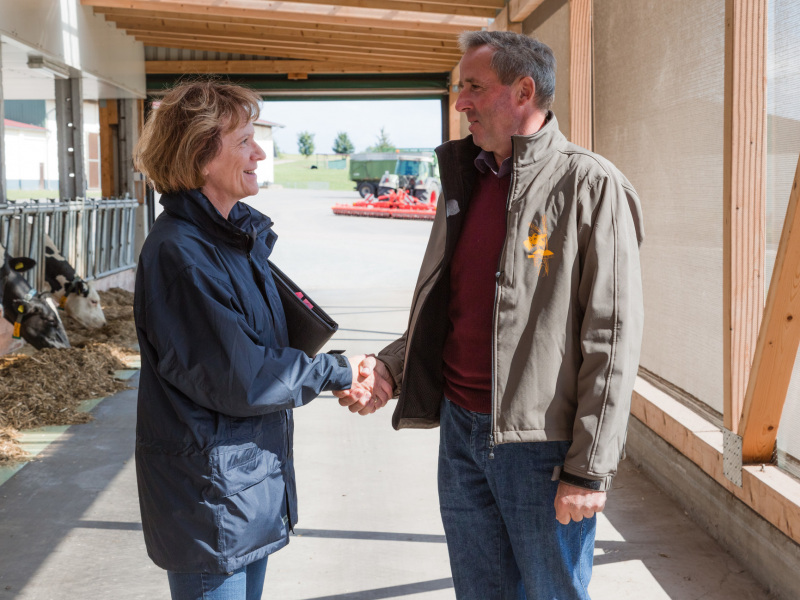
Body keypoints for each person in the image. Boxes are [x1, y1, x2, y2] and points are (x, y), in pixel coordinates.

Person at [336, 31, 644, 599]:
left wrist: (589, 468)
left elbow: (613, 335)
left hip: (540, 448)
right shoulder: (468, 177)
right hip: (461, 431)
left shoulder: (590, 184)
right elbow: (452, 309)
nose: (461, 103)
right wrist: (390, 367)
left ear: (523, 91)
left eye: (474, 88)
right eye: (460, 89)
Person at [132, 81, 390, 600]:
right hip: (211, 500)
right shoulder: (182, 254)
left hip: (240, 486)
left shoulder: (230, 239)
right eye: (244, 140)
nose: (260, 152)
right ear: (201, 154)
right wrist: (340, 370)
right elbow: (243, 376)